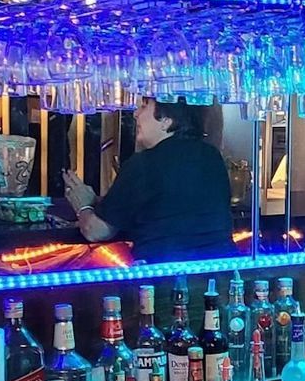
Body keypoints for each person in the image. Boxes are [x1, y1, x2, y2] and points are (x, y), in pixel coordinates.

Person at [63, 99, 234, 263]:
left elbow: (97, 231)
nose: (136, 114)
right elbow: (176, 207)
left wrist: (83, 206)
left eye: (144, 107)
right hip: (221, 273)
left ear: (166, 120)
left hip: (163, 280)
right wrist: (98, 202)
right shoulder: (212, 156)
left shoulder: (143, 163)